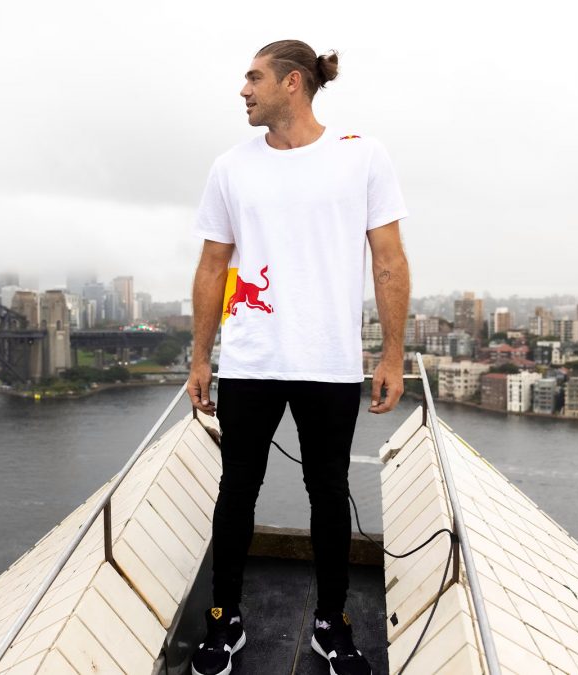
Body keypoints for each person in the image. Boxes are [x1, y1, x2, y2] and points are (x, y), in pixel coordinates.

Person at [186, 39, 410, 675]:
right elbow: (211, 265)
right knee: (237, 491)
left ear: (292, 83)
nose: (243, 90)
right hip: (252, 356)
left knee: (328, 494)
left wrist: (392, 353)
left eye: (253, 77)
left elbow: (388, 260)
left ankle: (331, 623)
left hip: (330, 359)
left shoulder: (362, 156)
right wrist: (201, 355)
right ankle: (223, 621)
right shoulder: (230, 167)